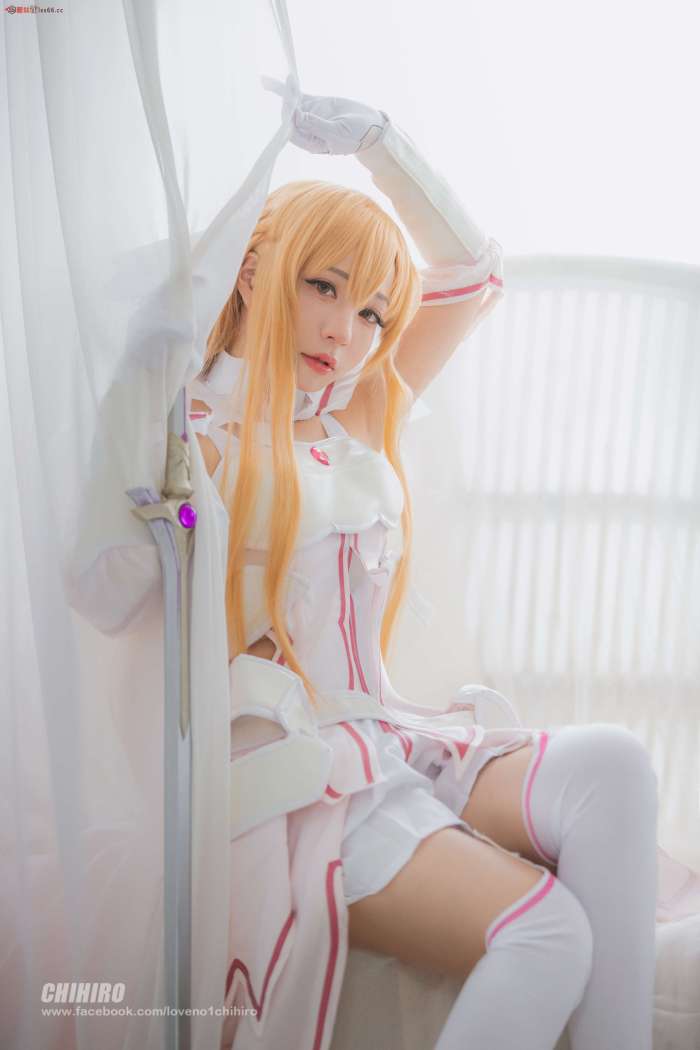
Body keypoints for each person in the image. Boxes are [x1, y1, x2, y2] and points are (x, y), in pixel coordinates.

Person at [186, 91, 658, 1050]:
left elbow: (472, 273)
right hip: (295, 770)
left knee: (614, 765)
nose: (347, 332)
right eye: (324, 286)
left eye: (371, 310)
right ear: (252, 270)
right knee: (548, 932)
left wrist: (382, 146)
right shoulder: (188, 436)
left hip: (389, 735)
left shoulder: (353, 412)